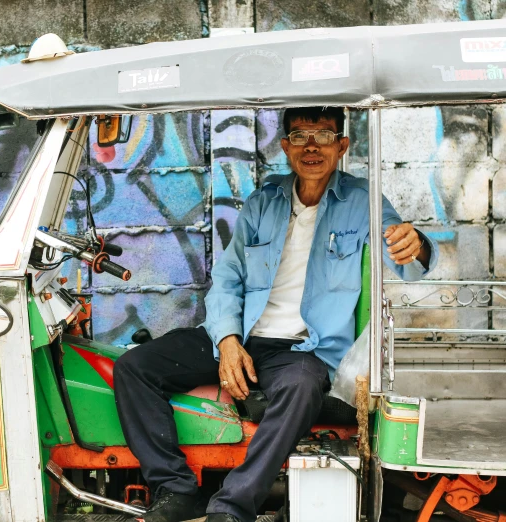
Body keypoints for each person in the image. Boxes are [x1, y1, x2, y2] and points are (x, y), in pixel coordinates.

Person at [112, 106, 438, 522]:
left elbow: (407, 260)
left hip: (301, 349)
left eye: (323, 135)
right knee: (135, 366)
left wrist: (417, 243)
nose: (312, 146)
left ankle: (232, 507)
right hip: (243, 335)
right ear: (285, 146)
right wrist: (227, 340)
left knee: (302, 386)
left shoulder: (364, 201)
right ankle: (175, 489)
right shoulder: (263, 201)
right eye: (300, 136)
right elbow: (227, 279)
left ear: (342, 145)